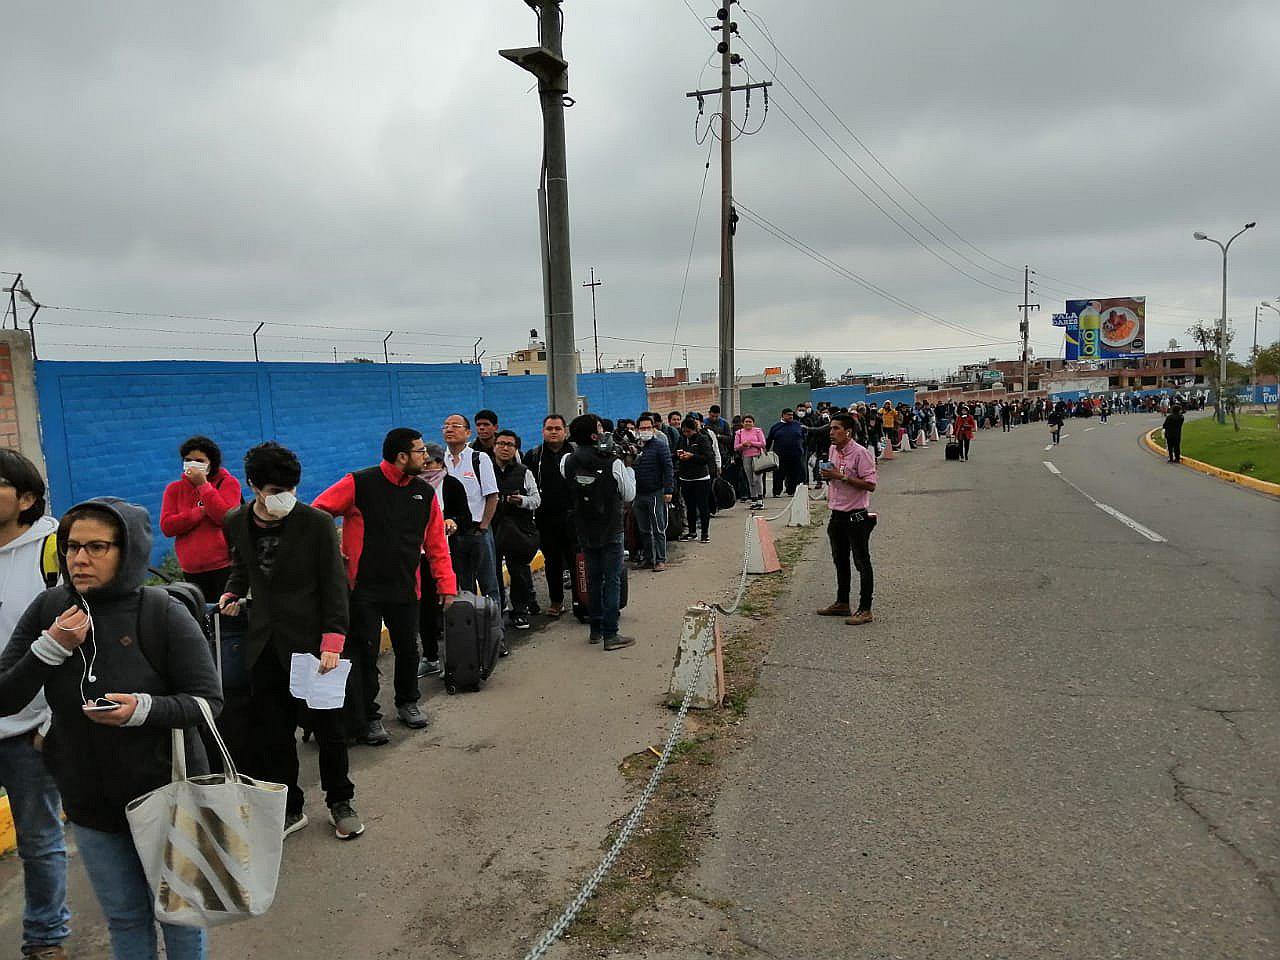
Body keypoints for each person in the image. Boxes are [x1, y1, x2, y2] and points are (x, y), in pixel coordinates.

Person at [0, 498, 221, 960]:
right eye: (72, 547)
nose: (80, 559)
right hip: (90, 799)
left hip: (167, 793)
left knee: (178, 916)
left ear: (128, 550)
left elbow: (207, 701)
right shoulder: (50, 610)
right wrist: (51, 648)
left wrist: (142, 710)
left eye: (97, 547)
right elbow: (5, 697)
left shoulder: (161, 611)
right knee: (123, 918)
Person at [220, 442, 362, 840]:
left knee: (329, 728)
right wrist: (233, 592)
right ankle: (290, 805)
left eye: (289, 488)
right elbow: (241, 568)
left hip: (317, 644)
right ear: (253, 486)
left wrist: (333, 641)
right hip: (265, 644)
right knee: (274, 732)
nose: (283, 497)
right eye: (272, 490)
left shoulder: (315, 522)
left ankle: (340, 801)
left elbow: (334, 585)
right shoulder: (236, 521)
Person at [313, 428, 458, 744]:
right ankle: (369, 716)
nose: (427, 456)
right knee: (366, 654)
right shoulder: (359, 483)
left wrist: (446, 584)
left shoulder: (424, 493)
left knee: (409, 648)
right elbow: (318, 512)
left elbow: (436, 543)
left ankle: (408, 702)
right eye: (420, 451)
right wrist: (333, 550)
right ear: (402, 456)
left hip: (406, 586)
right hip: (363, 587)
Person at [0, 451, 69, 960]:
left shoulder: (54, 552)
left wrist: (55, 716)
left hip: (31, 725)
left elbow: (79, 640)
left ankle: (45, 936)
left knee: (39, 841)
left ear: (25, 498)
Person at [562, 415, 636, 650]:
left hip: (584, 527)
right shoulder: (612, 461)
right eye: (600, 428)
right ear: (595, 435)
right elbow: (628, 494)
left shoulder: (568, 460)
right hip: (611, 528)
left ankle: (595, 629)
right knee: (611, 580)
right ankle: (611, 634)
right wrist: (629, 471)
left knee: (593, 580)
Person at [159, 435, 242, 602]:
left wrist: (203, 486)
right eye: (188, 460)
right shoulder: (174, 489)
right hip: (191, 569)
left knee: (225, 614)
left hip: (222, 566)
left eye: (199, 460)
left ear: (211, 463)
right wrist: (197, 513)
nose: (192, 464)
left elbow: (224, 517)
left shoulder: (228, 483)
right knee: (201, 616)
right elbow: (167, 526)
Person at [816, 415, 878, 626]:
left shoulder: (861, 453)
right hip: (837, 514)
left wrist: (841, 477)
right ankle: (842, 602)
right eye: (831, 429)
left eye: (836, 429)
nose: (831, 432)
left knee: (861, 562)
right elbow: (834, 473)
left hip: (856, 515)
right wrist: (828, 475)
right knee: (839, 559)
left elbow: (870, 485)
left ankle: (865, 608)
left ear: (848, 431)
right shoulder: (833, 449)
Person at [418, 444, 471, 676]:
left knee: (449, 607)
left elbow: (465, 517)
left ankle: (455, 657)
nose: (426, 467)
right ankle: (430, 656)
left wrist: (453, 521)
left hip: (448, 555)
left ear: (440, 463)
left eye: (430, 463)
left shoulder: (451, 485)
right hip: (419, 558)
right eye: (423, 463)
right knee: (424, 610)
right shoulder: (413, 487)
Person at [441, 414, 501, 606]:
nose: (449, 429)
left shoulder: (479, 458)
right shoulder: (441, 461)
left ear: (467, 433)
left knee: (489, 583)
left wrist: (483, 527)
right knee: (463, 586)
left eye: (455, 426)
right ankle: (470, 627)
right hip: (453, 534)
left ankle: (494, 627)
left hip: (478, 530)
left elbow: (492, 495)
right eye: (446, 426)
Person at [523, 415, 575, 619]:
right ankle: (556, 601)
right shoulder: (534, 456)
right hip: (546, 518)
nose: (553, 432)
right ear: (543, 431)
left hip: (573, 517)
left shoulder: (575, 454)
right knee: (552, 562)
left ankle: (582, 600)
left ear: (565, 431)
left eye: (557, 428)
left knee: (576, 560)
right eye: (549, 428)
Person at [491, 430, 541, 630]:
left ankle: (520, 611)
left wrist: (521, 501)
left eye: (510, 445)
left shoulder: (524, 472)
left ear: (516, 449)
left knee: (518, 571)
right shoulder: (485, 470)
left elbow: (536, 500)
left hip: (519, 530)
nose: (505, 448)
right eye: (501, 443)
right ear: (494, 446)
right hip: (492, 529)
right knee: (492, 573)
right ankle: (497, 610)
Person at [631, 414, 674, 571]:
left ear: (654, 429)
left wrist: (668, 490)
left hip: (655, 492)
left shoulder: (660, 445)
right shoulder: (634, 447)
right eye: (642, 428)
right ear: (637, 430)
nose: (646, 431)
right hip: (638, 493)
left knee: (658, 528)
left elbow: (668, 468)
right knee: (643, 529)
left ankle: (660, 559)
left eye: (649, 428)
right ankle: (649, 558)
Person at [675, 417, 716, 543]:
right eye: (684, 431)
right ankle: (692, 532)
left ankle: (705, 533)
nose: (686, 434)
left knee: (703, 506)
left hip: (701, 478)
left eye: (688, 431)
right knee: (690, 506)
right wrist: (678, 455)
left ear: (694, 430)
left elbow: (707, 457)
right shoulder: (681, 439)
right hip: (685, 477)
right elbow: (675, 453)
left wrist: (692, 456)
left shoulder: (702, 439)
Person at [766, 408, 806, 497]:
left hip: (795, 454)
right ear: (783, 415)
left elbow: (804, 437)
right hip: (780, 455)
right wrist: (766, 451)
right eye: (788, 415)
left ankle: (791, 491)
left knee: (793, 473)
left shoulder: (798, 425)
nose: (790, 416)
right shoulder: (776, 427)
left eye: (791, 415)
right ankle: (777, 492)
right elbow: (769, 440)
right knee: (778, 474)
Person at [734, 414, 767, 510]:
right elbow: (735, 447)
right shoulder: (739, 433)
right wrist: (743, 445)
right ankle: (754, 499)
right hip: (746, 457)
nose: (748, 423)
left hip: (757, 456)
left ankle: (760, 499)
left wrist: (752, 443)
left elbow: (763, 443)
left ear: (753, 423)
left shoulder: (758, 431)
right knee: (750, 479)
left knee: (757, 478)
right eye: (746, 422)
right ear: (742, 423)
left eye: (750, 422)